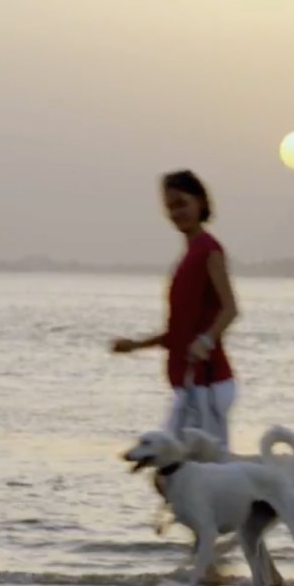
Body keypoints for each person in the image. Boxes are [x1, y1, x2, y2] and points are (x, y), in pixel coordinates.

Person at [110, 169, 239, 453]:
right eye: (170, 207)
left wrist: (205, 341)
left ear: (201, 203)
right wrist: (135, 345)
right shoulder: (188, 256)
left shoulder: (209, 251)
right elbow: (178, 332)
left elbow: (231, 309)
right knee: (178, 472)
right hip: (188, 384)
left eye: (181, 203)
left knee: (178, 468)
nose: (176, 212)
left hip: (209, 381)